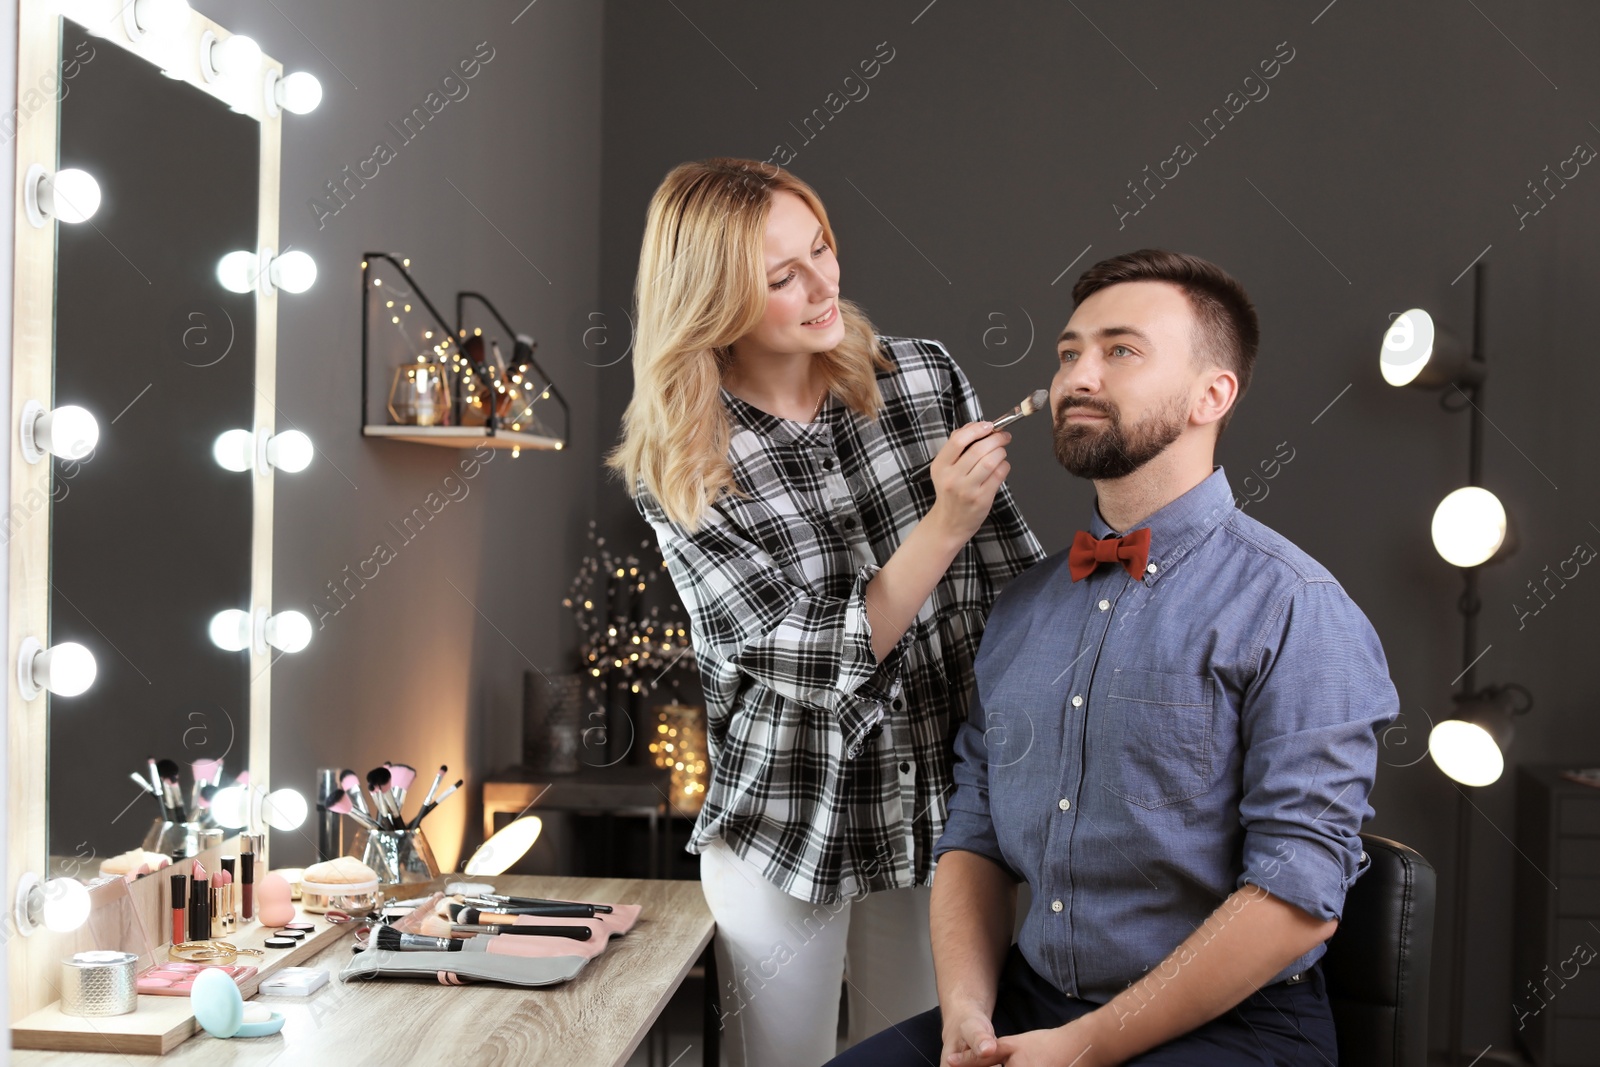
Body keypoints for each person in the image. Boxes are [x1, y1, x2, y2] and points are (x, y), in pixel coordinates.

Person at [829, 249, 1399, 1067]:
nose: (1077, 376)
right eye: (1069, 353)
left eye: (1121, 351)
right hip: (1027, 1007)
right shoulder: (1021, 605)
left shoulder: (1297, 607)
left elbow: (1298, 896)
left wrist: (1084, 1048)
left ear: (1214, 393)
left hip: (1237, 1030)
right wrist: (964, 1011)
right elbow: (976, 831)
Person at [607, 158, 1044, 1067]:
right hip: (783, 815)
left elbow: (1005, 578)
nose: (823, 285)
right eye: (782, 277)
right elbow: (810, 655)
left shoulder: (923, 379)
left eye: (823, 249)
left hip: (935, 802)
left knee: (909, 1057)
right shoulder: (682, 463)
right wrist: (943, 520)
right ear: (711, 301)